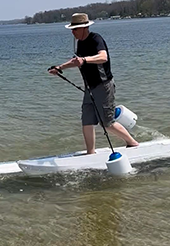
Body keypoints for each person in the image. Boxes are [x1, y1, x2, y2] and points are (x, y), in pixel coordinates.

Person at [48, 13, 139, 154]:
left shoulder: (96, 39)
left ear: (84, 28)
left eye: (75, 29)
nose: (73, 32)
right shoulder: (80, 44)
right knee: (87, 121)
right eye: (72, 29)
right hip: (89, 88)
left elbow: (103, 57)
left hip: (104, 86)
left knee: (106, 123)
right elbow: (76, 61)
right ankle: (90, 152)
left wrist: (85, 60)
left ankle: (132, 143)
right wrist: (60, 68)